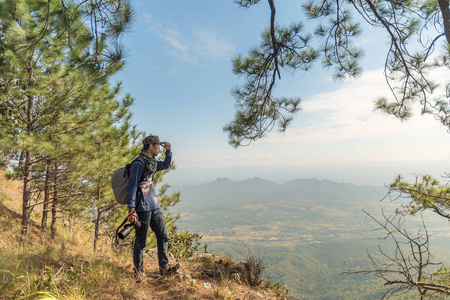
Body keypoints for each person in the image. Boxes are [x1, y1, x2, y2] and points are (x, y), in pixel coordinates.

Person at [126, 135, 179, 280]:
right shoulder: (138, 163)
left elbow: (166, 165)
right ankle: (139, 271)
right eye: (158, 145)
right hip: (142, 208)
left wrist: (168, 151)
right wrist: (131, 209)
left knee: (163, 235)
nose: (159, 149)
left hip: (154, 205)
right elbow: (131, 188)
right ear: (151, 146)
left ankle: (164, 268)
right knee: (140, 240)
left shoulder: (152, 163)